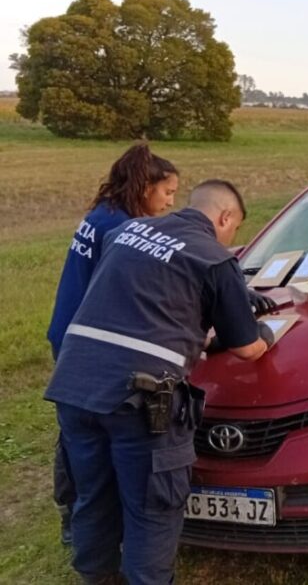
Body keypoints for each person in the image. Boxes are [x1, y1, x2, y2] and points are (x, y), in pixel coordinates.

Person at [45, 180, 275, 585]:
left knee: (93, 497)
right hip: (140, 400)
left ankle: (97, 577)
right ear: (225, 218)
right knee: (151, 508)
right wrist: (267, 331)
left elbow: (141, 304)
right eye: (233, 229)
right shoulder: (213, 257)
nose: (230, 238)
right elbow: (248, 348)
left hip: (75, 384)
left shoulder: (124, 233)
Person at [47, 143, 179, 546]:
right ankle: (79, 519)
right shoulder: (119, 230)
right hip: (87, 343)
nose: (172, 201)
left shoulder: (101, 214)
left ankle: (76, 514)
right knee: (84, 437)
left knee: (74, 429)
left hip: (66, 332)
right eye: (168, 192)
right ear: (145, 188)